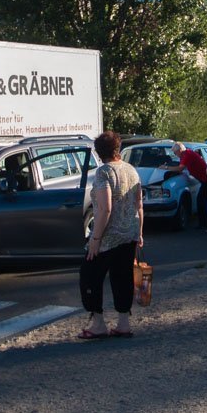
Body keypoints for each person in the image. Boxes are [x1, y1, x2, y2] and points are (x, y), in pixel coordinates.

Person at [79, 131, 144, 339]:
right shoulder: (131, 169)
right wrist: (139, 232)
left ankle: (98, 323)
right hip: (129, 233)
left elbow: (105, 208)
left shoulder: (104, 172)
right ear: (118, 148)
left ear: (99, 153)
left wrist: (95, 239)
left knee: (89, 276)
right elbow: (139, 203)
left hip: (108, 236)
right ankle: (123, 323)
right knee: (122, 276)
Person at [163, 142, 207, 231]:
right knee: (201, 201)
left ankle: (205, 224)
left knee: (201, 202)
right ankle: (204, 223)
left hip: (206, 180)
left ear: (180, 150)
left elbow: (180, 168)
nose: (175, 154)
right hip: (203, 180)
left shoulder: (187, 155)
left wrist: (166, 167)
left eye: (175, 152)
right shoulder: (185, 155)